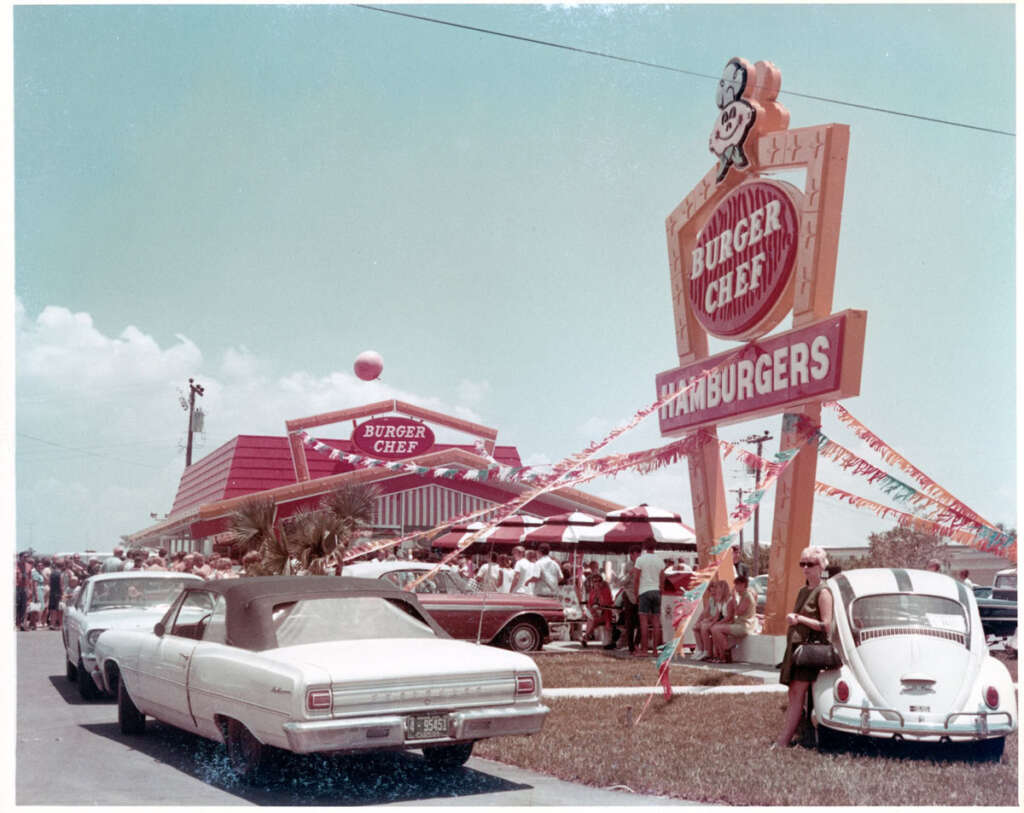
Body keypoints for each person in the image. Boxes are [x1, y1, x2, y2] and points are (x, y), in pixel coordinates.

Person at [774, 546, 833, 749]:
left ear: (821, 566)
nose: (806, 568)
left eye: (811, 564)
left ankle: (783, 740)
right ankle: (799, 734)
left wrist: (799, 618)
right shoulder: (802, 590)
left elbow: (826, 625)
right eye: (803, 563)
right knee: (793, 693)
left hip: (809, 651)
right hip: (796, 649)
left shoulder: (823, 592)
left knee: (797, 693)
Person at [711, 574, 757, 662]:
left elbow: (738, 612)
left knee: (716, 629)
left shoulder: (747, 596)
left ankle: (726, 650)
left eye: (737, 585)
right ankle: (722, 655)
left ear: (743, 585)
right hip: (739, 623)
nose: (735, 587)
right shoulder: (743, 595)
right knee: (714, 629)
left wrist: (735, 599)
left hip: (744, 626)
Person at [633, 541, 663, 656]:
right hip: (656, 591)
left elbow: (636, 579)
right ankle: (655, 650)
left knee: (644, 623)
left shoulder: (640, 560)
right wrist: (661, 590)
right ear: (654, 547)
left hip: (644, 591)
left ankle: (644, 650)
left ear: (644, 547)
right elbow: (662, 577)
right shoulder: (659, 560)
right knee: (656, 623)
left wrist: (636, 594)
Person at [614, 546, 641, 653]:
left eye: (640, 553)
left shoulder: (642, 564)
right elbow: (620, 582)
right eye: (637, 554)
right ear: (632, 554)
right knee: (630, 622)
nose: (639, 555)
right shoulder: (626, 566)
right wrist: (630, 574)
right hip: (629, 596)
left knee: (641, 622)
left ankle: (637, 644)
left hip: (640, 595)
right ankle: (630, 647)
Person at [692, 579, 727, 661]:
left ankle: (707, 651)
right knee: (696, 627)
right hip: (713, 619)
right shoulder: (711, 599)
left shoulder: (720, 598)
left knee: (704, 627)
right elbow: (704, 611)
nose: (712, 594)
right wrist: (698, 620)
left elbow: (718, 615)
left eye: (714, 591)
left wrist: (707, 620)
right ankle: (700, 650)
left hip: (719, 620)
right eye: (711, 592)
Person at [581, 571, 615, 648]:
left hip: (605, 613)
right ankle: (586, 637)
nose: (597, 583)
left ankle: (586, 637)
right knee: (591, 618)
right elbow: (589, 603)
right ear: (592, 582)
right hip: (595, 613)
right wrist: (593, 611)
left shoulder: (606, 590)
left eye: (599, 581)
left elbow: (606, 603)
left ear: (602, 581)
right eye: (595, 581)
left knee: (592, 620)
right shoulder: (592, 591)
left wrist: (599, 592)